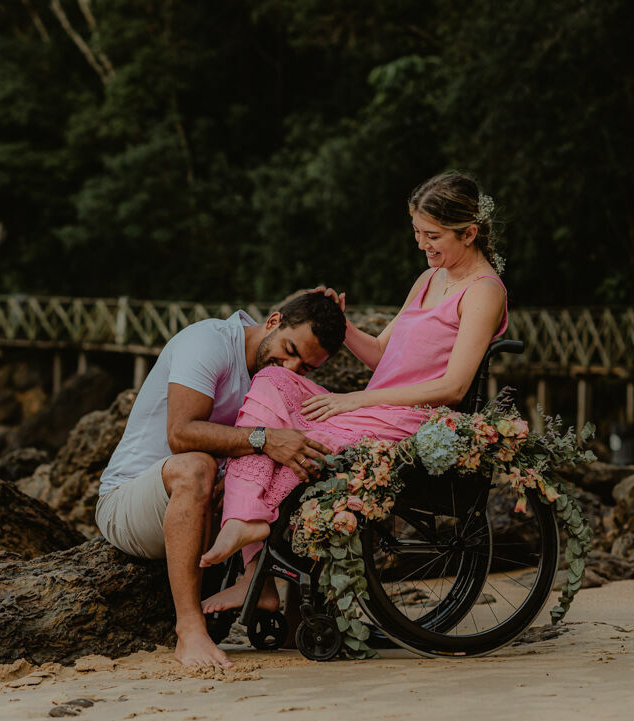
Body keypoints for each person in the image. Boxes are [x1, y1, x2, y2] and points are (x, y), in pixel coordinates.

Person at [199, 171, 510, 612]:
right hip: (375, 409)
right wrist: (341, 324)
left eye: (432, 235)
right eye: (417, 232)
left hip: (417, 417)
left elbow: (453, 387)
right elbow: (383, 353)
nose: (422, 244)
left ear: (470, 233)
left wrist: (358, 399)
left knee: (301, 443)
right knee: (271, 382)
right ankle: (253, 549)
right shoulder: (429, 279)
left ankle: (250, 534)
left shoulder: (483, 292)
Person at [95, 293, 347, 668]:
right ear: (274, 321)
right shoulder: (208, 343)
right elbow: (180, 434)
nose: (291, 367)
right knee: (199, 464)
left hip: (204, 506)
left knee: (301, 456)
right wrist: (265, 438)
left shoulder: (275, 376)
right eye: (289, 349)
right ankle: (189, 629)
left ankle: (297, 614)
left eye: (306, 368)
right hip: (129, 503)